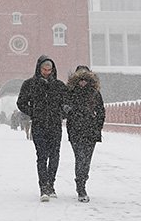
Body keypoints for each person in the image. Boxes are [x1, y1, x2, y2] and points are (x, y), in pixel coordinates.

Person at [16, 55, 67, 202]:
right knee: (42, 156)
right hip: (39, 125)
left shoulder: (59, 86)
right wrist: (34, 112)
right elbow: (21, 103)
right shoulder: (29, 84)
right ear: (39, 68)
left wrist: (61, 114)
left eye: (49, 69)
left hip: (55, 125)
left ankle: (51, 184)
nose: (47, 71)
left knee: (55, 156)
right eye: (44, 69)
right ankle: (43, 187)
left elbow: (68, 103)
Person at [65, 65, 106, 203]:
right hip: (76, 131)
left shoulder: (95, 93)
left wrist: (97, 127)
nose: (82, 82)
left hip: (90, 131)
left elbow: (101, 112)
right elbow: (64, 111)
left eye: (85, 79)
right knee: (80, 158)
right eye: (80, 79)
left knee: (86, 160)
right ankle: (80, 187)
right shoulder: (70, 93)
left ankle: (82, 181)